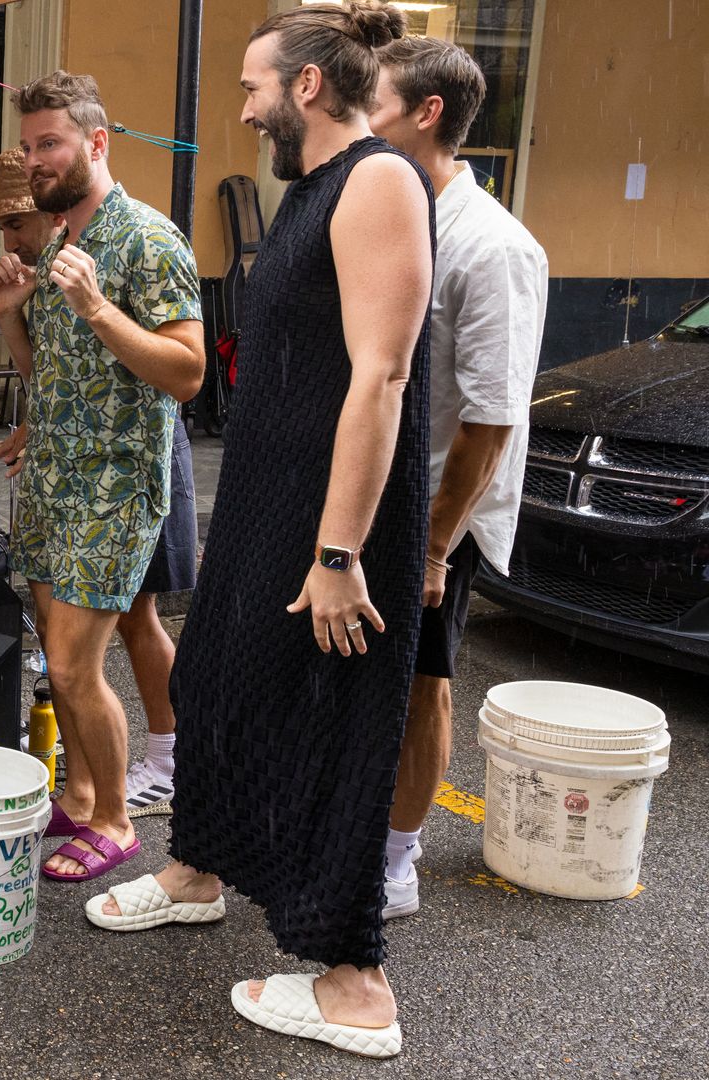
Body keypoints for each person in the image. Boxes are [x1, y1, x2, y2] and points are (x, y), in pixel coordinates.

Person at [86, 2, 432, 1059]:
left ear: (308, 87)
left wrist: (339, 555)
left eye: (252, 89)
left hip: (333, 517)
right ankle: (197, 872)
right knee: (215, 683)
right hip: (265, 495)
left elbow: (382, 376)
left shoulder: (377, 180)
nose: (243, 110)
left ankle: (355, 983)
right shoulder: (312, 189)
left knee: (327, 721)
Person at [0, 74, 204, 883]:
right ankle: (77, 790)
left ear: (96, 144)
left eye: (51, 144)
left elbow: (187, 375)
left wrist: (102, 308)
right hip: (53, 484)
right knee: (59, 659)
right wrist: (11, 313)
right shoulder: (62, 242)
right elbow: (53, 377)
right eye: (30, 145)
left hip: (113, 488)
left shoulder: (148, 240)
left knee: (75, 666)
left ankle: (115, 819)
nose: (35, 160)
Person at [369, 35, 546, 918]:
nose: (363, 118)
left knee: (422, 680)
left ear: (427, 113)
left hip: (441, 509)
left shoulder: (494, 249)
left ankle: (398, 861)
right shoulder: (397, 216)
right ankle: (359, 826)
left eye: (378, 102)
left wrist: (437, 544)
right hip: (373, 493)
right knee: (364, 673)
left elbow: (492, 421)